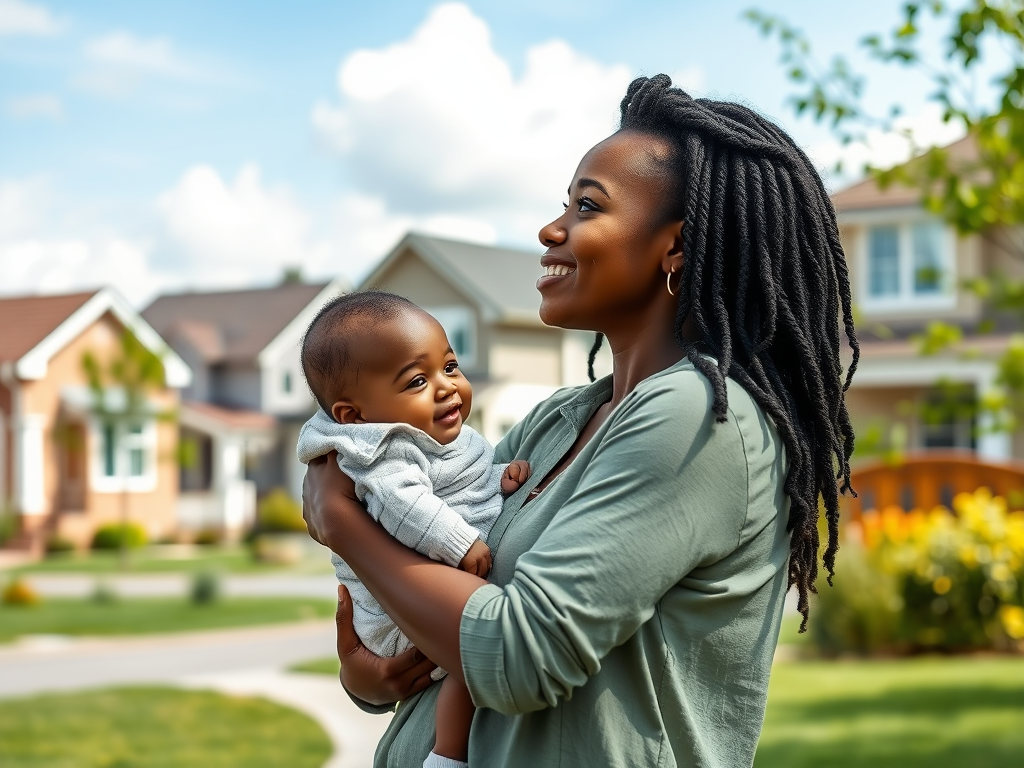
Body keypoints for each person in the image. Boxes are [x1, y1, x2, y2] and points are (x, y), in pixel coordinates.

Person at [302, 74, 858, 768]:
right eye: (564, 203)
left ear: (676, 249)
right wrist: (369, 675)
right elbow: (424, 607)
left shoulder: (699, 418)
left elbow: (513, 657)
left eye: (588, 206)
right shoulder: (560, 421)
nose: (551, 228)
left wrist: (343, 524)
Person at [297, 291, 531, 768]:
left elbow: (460, 480)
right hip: (392, 620)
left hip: (410, 606)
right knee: (466, 660)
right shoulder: (385, 451)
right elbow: (408, 508)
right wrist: (460, 544)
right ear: (354, 415)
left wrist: (498, 476)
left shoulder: (432, 435)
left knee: (469, 649)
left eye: (450, 366)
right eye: (418, 380)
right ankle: (448, 754)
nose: (447, 387)